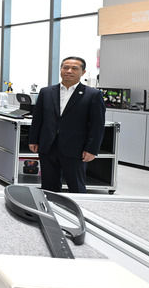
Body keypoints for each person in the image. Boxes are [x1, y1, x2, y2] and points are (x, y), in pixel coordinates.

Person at [28, 56, 106, 193]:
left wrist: (92, 149)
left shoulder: (93, 95)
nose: (69, 71)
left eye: (74, 68)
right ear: (61, 70)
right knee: (48, 187)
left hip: (76, 149)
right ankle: (50, 206)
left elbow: (97, 125)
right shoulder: (46, 92)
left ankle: (79, 207)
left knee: (76, 187)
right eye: (65, 67)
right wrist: (33, 139)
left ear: (83, 72)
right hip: (48, 147)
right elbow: (38, 119)